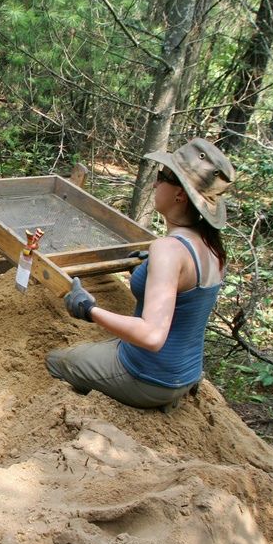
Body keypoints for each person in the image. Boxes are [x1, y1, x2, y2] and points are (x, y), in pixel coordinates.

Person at [46, 137, 235, 411]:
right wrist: (148, 268)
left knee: (55, 360)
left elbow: (151, 336)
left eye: (162, 177)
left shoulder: (169, 250)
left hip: (148, 377)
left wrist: (88, 309)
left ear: (180, 194)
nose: (156, 184)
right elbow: (186, 297)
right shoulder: (210, 246)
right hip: (184, 374)